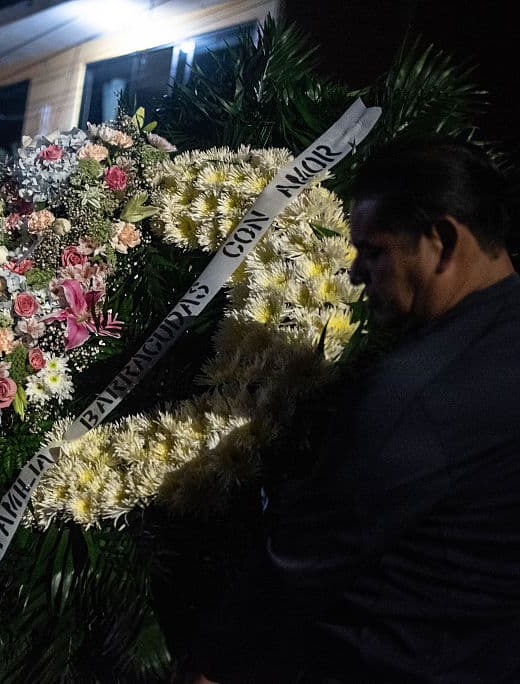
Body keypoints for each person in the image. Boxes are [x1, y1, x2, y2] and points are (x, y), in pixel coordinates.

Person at [193, 139, 520, 682]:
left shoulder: (418, 390)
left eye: (374, 252)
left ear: (441, 240)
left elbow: (301, 565)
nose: (356, 275)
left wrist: (213, 667)